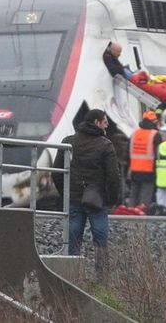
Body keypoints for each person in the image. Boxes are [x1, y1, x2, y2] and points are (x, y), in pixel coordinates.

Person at [54, 107, 120, 272]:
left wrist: (66, 193)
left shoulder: (68, 141)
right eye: (105, 122)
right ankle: (102, 276)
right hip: (97, 200)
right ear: (97, 122)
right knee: (100, 239)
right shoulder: (106, 145)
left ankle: (72, 275)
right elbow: (113, 175)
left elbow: (56, 172)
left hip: (74, 199)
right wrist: (112, 199)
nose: (106, 126)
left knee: (73, 239)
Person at [127, 110, 160, 207]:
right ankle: (142, 220)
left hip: (134, 170)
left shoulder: (134, 134)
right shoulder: (155, 134)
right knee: (145, 199)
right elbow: (158, 154)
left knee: (133, 196)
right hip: (148, 171)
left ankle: (128, 218)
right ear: (153, 122)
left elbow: (127, 153)